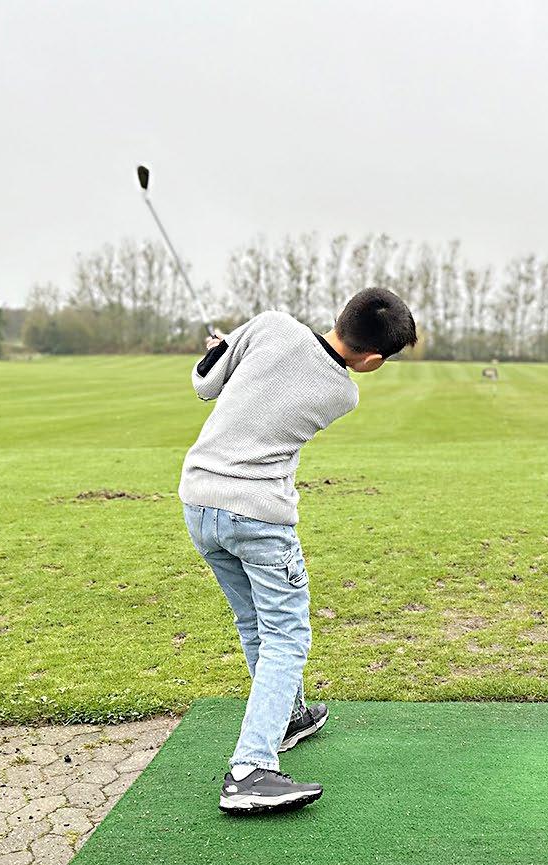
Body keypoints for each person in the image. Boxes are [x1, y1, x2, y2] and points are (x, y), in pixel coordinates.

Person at [179, 288, 417, 812]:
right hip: (258, 516)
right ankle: (250, 768)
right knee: (286, 635)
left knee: (253, 622)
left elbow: (204, 385)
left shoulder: (270, 325)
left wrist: (221, 351)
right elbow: (291, 378)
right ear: (374, 361)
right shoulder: (343, 392)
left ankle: (286, 717)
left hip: (198, 503)